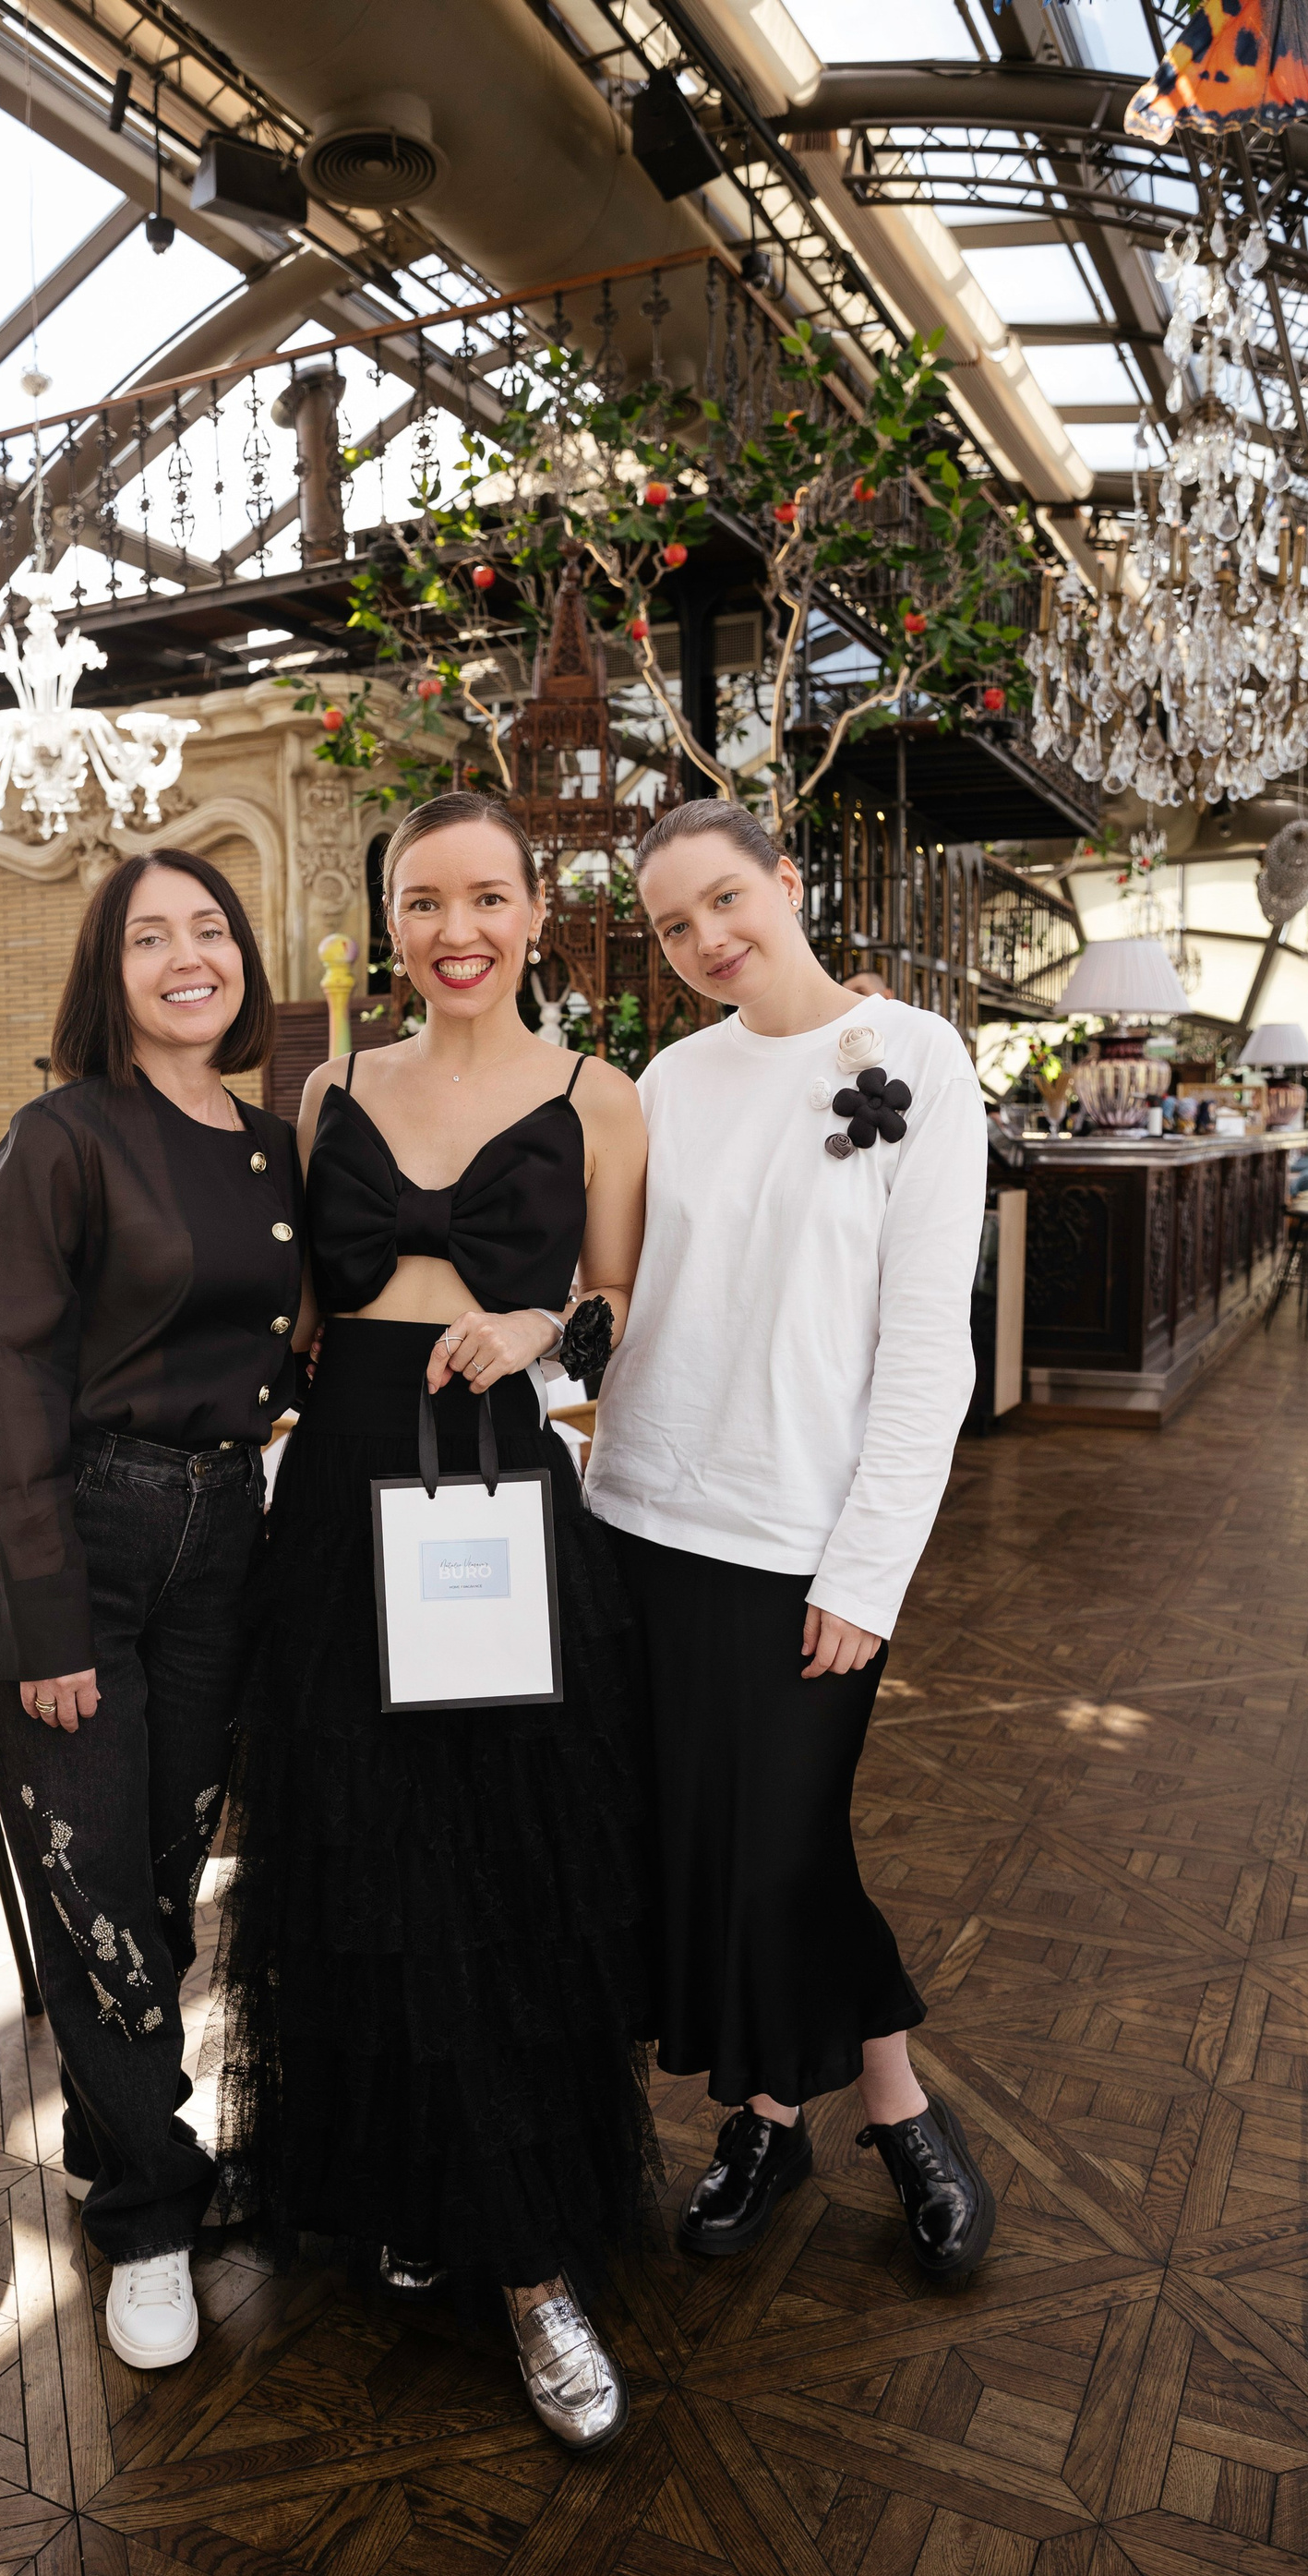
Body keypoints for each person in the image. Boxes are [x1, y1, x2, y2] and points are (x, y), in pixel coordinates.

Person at [216, 791, 654, 2451]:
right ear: (387, 922)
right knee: (359, 1854)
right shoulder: (328, 1088)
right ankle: (405, 2177)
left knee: (500, 1865)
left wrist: (542, 1328)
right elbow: (295, 1316)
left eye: (485, 899)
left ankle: (534, 2263)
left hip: (496, 1502)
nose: (454, 931)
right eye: (422, 901)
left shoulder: (599, 1096)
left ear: (537, 913)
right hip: (342, 1508)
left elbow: (621, 1302)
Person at [585, 799, 997, 2284]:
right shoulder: (668, 1081)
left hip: (802, 1543)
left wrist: (868, 1571)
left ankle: (893, 2108)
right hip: (641, 1516)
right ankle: (767, 2118)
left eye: (724, 900)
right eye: (671, 925)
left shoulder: (921, 1060)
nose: (704, 939)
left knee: (780, 1851)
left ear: (789, 881)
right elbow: (625, 1296)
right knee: (704, 1850)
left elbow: (927, 1350)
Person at [0, 849, 306, 2373]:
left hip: (223, 1534)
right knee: (94, 1887)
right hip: (78, 1542)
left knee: (168, 1881)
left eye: (209, 930)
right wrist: (45, 1624)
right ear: (108, 970)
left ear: (242, 959)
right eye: (150, 936)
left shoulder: (270, 1144)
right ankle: (148, 2216)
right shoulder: (61, 1136)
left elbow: (292, 1340)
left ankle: (125, 2139)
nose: (187, 957)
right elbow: (15, 1387)